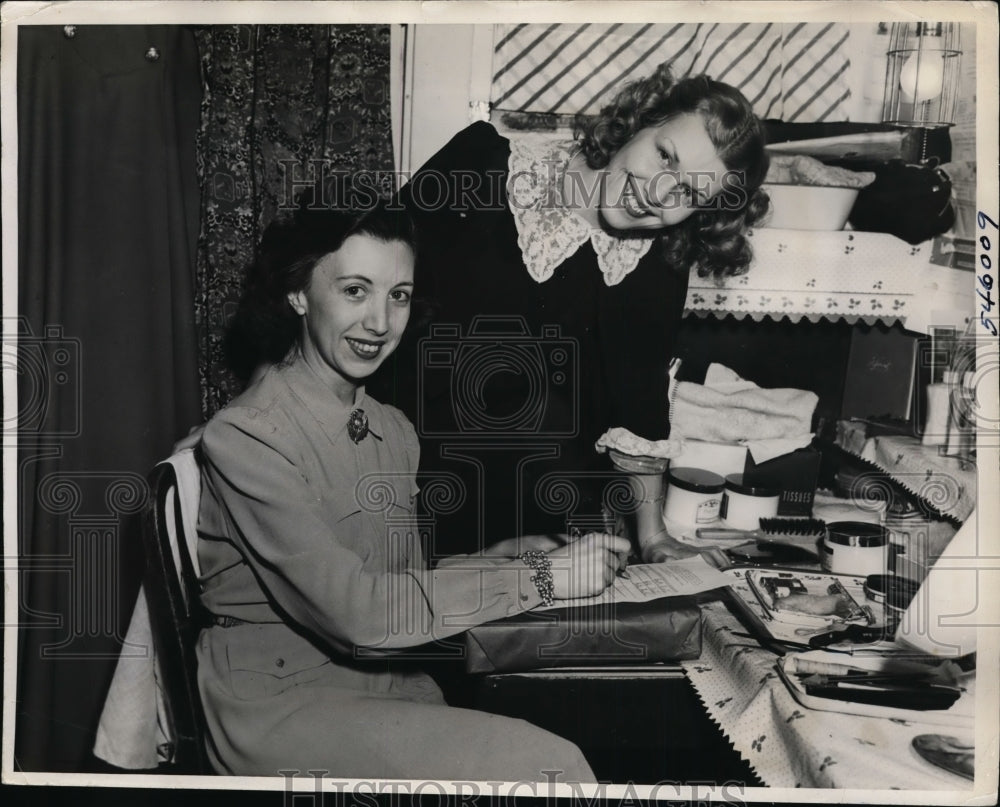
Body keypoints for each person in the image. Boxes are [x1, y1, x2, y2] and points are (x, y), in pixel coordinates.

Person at [195, 197, 630, 779]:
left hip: (378, 682)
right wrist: (544, 578)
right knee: (552, 765)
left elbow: (394, 585)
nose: (380, 322)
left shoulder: (392, 430)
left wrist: (501, 557)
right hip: (276, 702)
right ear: (298, 294)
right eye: (355, 290)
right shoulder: (248, 438)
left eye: (398, 295)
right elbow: (363, 616)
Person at [369, 63, 769, 562]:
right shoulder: (484, 164)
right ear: (642, 119)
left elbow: (640, 402)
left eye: (689, 193)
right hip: (399, 485)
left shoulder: (659, 261)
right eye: (665, 157)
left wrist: (653, 537)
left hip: (538, 521)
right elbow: (363, 280)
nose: (658, 195)